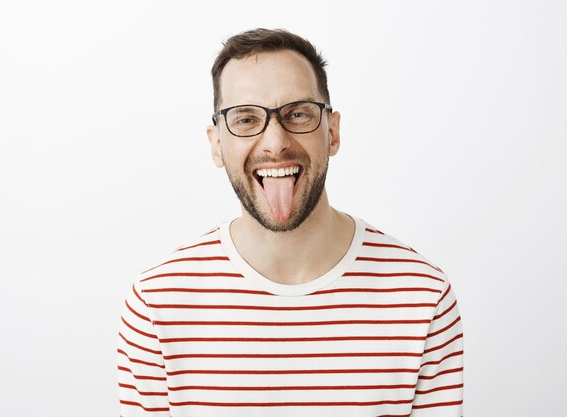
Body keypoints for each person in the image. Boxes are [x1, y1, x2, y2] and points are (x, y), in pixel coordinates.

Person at [117, 28, 464, 417]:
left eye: (297, 113)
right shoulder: (157, 305)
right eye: (246, 119)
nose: (275, 141)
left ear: (332, 132)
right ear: (216, 143)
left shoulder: (421, 297)